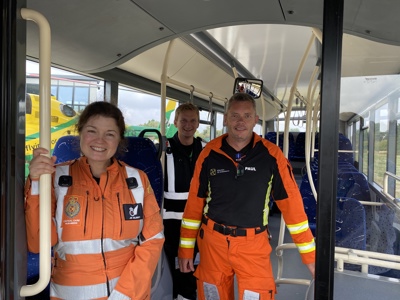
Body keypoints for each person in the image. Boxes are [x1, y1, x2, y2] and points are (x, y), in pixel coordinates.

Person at [178, 92, 315, 300]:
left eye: (247, 116)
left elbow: (293, 209)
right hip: (213, 245)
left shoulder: (272, 156)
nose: (240, 122)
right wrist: (186, 249)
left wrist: (310, 257)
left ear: (255, 120)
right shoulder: (209, 154)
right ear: (225, 119)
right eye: (234, 116)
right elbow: (194, 206)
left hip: (253, 245)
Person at [25, 101, 164, 300]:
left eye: (110, 134)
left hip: (128, 293)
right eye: (92, 131)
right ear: (80, 132)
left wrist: (125, 294)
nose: (100, 140)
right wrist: (37, 182)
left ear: (119, 140)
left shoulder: (138, 180)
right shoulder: (54, 177)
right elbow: (38, 243)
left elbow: (153, 240)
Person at [163, 102, 205, 300]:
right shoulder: (163, 150)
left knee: (198, 266)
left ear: (198, 124)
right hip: (172, 225)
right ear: (176, 122)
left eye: (193, 121)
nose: (188, 125)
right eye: (184, 121)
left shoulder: (206, 150)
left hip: (201, 224)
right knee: (178, 269)